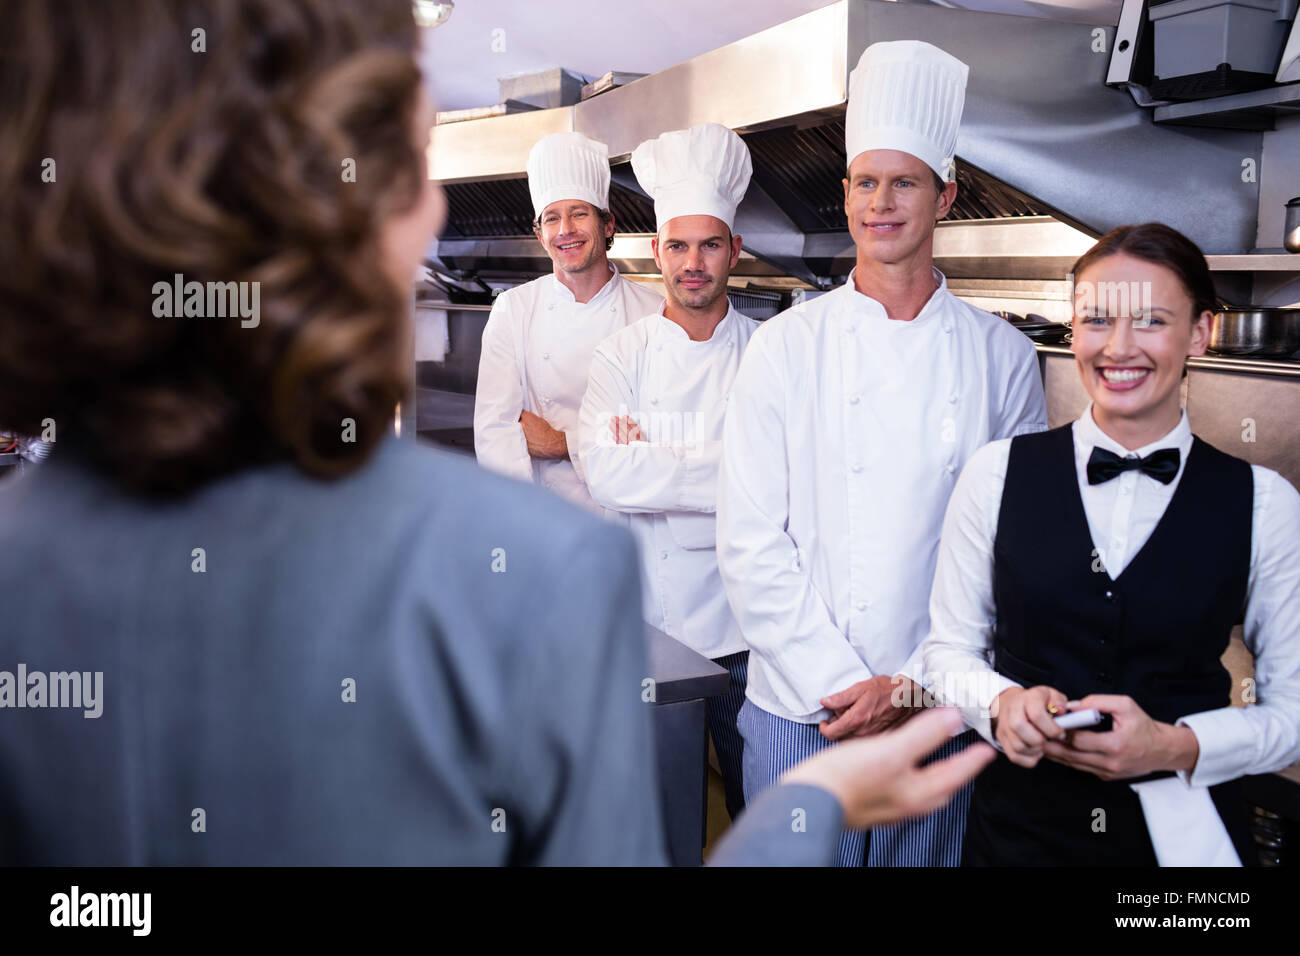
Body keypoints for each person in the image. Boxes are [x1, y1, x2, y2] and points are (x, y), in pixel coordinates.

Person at [0, 0, 993, 867]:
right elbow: (585, 458)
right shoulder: (543, 583)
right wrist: (809, 809)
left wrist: (615, 457)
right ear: (402, 206)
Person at [716, 39, 1048, 868]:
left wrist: (908, 688)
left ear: (945, 197)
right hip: (803, 706)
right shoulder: (787, 347)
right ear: (846, 195)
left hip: (934, 704)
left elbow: (1006, 550)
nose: (882, 202)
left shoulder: (1000, 357)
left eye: (905, 182)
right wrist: (844, 682)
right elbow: (752, 541)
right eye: (867, 182)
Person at [922, 223, 1300, 866]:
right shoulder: (996, 474)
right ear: (1074, 328)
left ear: (1201, 331)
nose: (1119, 348)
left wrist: (1177, 745)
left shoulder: (1265, 502)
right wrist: (1002, 701)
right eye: (1097, 320)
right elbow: (947, 653)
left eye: (1151, 320)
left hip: (1186, 845)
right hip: (1019, 836)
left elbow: (1293, 713)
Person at [579, 123, 757, 821]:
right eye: (678, 245)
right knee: (658, 815)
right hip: (652, 624)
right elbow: (604, 474)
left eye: (710, 244)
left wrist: (651, 458)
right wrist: (723, 470)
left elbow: (773, 480)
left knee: (752, 807)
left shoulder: (768, 353)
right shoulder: (621, 354)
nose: (693, 262)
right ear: (656, 252)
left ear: (734, 251)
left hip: (748, 633)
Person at [473, 131, 663, 513]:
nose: (565, 231)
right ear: (540, 235)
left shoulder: (655, 311)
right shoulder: (513, 309)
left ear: (608, 225)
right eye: (552, 219)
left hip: (628, 517)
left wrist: (561, 444)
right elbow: (495, 432)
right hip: (545, 512)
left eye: (579, 213)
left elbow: (658, 433)